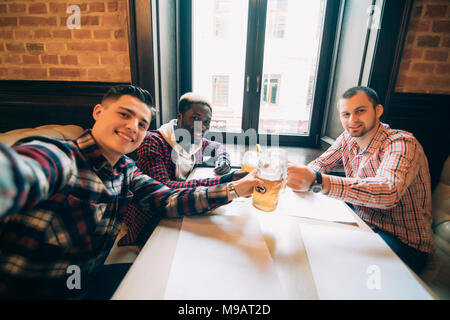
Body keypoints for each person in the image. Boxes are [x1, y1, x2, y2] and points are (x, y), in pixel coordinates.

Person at [0, 85, 262, 299]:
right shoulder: (61, 157)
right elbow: (20, 171)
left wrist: (235, 188)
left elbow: (168, 199)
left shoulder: (125, 168)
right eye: (124, 115)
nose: (133, 127)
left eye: (142, 122)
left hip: (85, 281)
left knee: (187, 285)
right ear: (98, 112)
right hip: (34, 292)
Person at [286, 86, 434, 275]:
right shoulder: (347, 138)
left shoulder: (402, 143)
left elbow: (388, 192)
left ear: (378, 110)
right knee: (306, 245)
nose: (352, 120)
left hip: (405, 243)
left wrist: (317, 181)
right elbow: (321, 163)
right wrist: (303, 175)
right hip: (362, 223)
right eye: (346, 114)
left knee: (336, 268)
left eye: (360, 111)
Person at [124, 93, 247, 244]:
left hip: (183, 206)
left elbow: (217, 146)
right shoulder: (153, 141)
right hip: (151, 219)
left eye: (206, 122)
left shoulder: (194, 141)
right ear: (180, 116)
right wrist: (226, 181)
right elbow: (165, 187)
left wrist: (223, 160)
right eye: (195, 118)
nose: (201, 127)